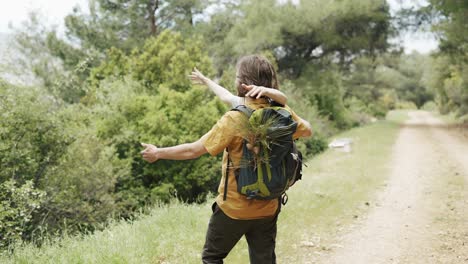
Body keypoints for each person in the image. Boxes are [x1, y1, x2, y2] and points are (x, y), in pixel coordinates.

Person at [141, 55, 312, 263]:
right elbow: (307, 130)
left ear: (243, 83)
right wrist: (206, 80)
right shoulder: (283, 113)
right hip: (268, 206)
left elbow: (193, 150)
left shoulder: (235, 119)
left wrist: (158, 152)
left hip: (234, 209)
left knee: (212, 257)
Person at [189, 67, 288, 108]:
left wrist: (266, 91)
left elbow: (283, 100)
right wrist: (206, 80)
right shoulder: (242, 103)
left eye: (237, 77)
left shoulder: (271, 103)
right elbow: (225, 95)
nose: (235, 81)